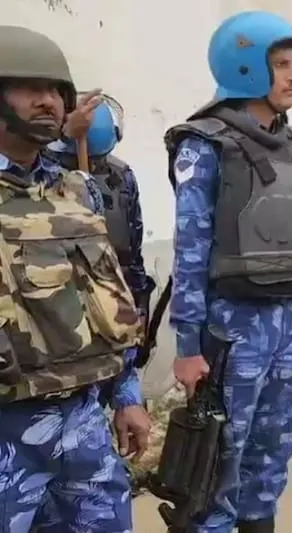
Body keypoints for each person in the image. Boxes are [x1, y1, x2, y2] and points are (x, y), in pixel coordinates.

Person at [165, 12, 292, 533]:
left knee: (271, 452)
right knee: (219, 459)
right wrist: (187, 347)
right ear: (246, 68)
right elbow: (191, 251)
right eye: (281, 65)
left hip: (287, 325)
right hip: (231, 331)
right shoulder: (205, 144)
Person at [0, 25, 150, 533]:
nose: (48, 102)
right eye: (29, 89)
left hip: (83, 425)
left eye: (56, 92)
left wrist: (127, 396)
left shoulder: (75, 192)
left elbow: (107, 297)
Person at [46, 97, 156, 406]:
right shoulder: (40, 176)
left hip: (111, 307)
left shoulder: (122, 178)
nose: (94, 169)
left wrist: (138, 308)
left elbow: (132, 255)